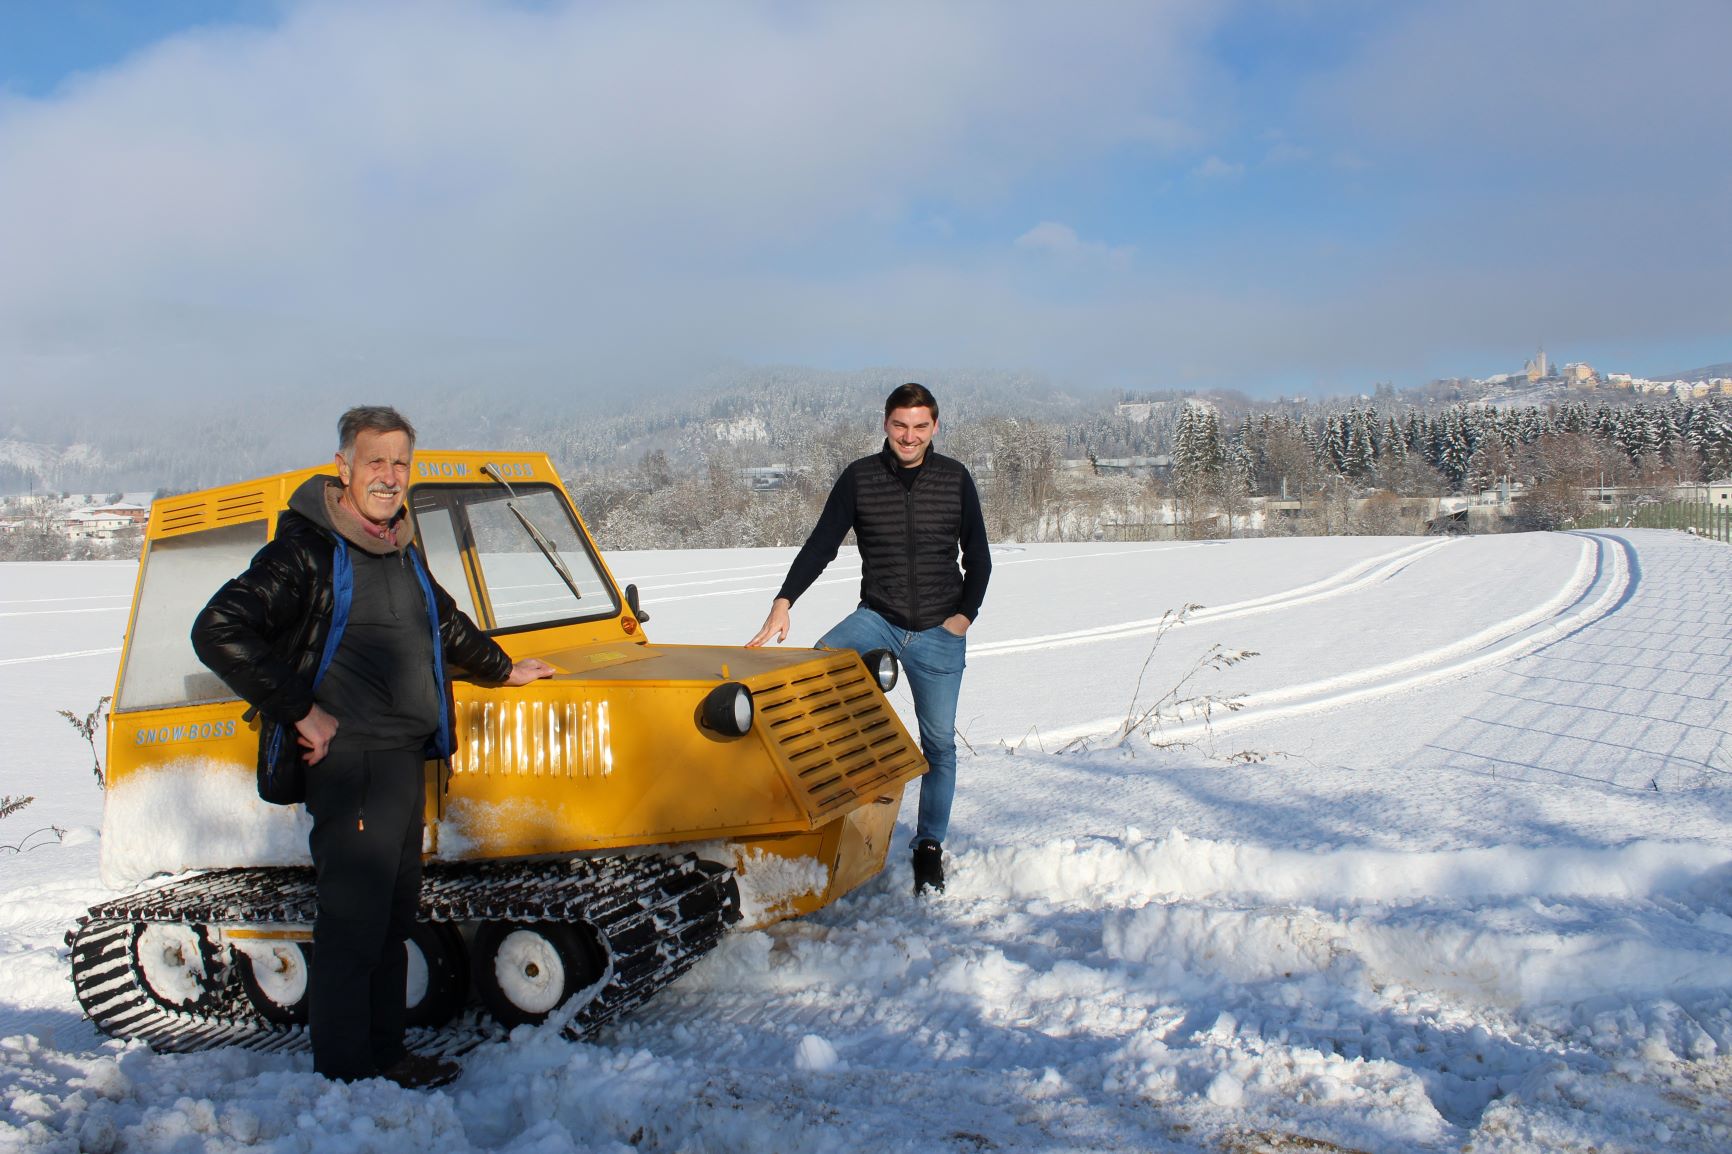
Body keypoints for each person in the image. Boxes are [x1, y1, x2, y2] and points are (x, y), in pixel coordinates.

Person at [191, 405, 553, 1088]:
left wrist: (503, 668)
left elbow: (441, 621)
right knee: (353, 924)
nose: (389, 475)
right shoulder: (307, 551)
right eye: (375, 461)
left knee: (392, 920)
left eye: (399, 462)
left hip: (403, 758)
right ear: (344, 468)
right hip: (351, 763)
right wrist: (301, 711)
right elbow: (217, 629)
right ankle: (344, 1073)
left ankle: (386, 1055)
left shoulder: (398, 542)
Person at [747, 383, 990, 895]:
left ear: (935, 427)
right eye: (901, 425)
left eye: (920, 426)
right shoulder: (860, 478)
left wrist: (963, 617)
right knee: (816, 669)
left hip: (941, 629)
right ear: (886, 424)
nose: (909, 436)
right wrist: (784, 601)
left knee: (939, 744)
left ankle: (928, 846)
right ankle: (837, 795)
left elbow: (979, 558)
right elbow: (821, 545)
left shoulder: (954, 478)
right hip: (878, 619)